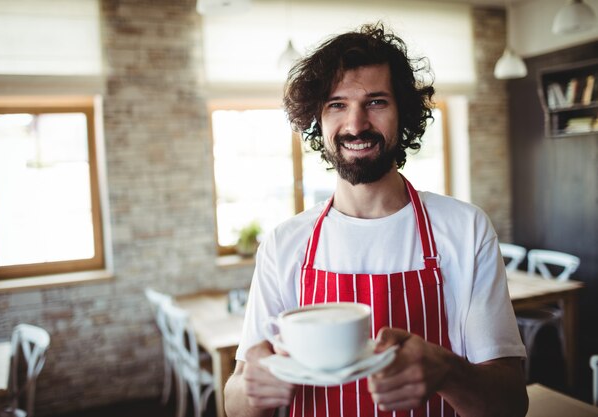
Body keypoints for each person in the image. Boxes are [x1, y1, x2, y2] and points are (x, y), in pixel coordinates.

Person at [224, 22, 528, 417]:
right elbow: (235, 401)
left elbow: (510, 404)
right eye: (337, 104)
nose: (355, 124)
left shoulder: (465, 229)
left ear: (404, 113)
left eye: (376, 102)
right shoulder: (285, 244)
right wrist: (253, 389)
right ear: (318, 118)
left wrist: (450, 373)